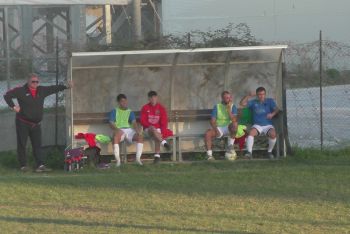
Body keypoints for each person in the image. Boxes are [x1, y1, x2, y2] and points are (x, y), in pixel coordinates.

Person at [3, 73, 72, 172]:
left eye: (37, 81)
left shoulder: (41, 90)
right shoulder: (21, 90)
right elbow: (7, 95)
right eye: (33, 81)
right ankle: (23, 166)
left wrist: (66, 86)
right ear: (28, 81)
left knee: (37, 145)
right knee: (22, 144)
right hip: (23, 122)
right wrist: (13, 107)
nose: (35, 83)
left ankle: (40, 165)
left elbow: (53, 88)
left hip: (36, 124)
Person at [239, 87, 279, 159]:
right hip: (257, 125)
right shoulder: (253, 102)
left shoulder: (270, 101)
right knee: (251, 133)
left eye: (263, 94)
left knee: (273, 134)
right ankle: (249, 153)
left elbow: (277, 109)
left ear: (265, 94)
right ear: (257, 95)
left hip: (268, 125)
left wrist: (272, 114)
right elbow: (242, 104)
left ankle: (269, 152)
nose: (261, 96)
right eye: (259, 94)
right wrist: (249, 96)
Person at [109, 94, 143, 167]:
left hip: (129, 130)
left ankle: (138, 159)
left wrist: (137, 131)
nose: (124, 103)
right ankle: (118, 161)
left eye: (125, 101)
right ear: (118, 102)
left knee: (140, 137)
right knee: (115, 138)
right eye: (122, 101)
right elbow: (111, 123)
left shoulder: (130, 111)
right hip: (119, 130)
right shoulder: (114, 111)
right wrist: (117, 130)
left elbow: (134, 122)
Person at [140, 91, 173, 164]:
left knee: (156, 133)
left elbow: (164, 122)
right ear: (148, 98)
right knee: (152, 128)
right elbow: (142, 121)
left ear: (157, 98)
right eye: (151, 97)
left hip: (157, 131)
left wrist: (163, 131)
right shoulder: (145, 108)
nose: (153, 99)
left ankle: (157, 157)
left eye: (154, 97)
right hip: (147, 130)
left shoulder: (161, 108)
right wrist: (150, 126)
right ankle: (164, 143)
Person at [205, 91, 238, 160]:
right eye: (226, 98)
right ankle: (209, 155)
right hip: (219, 128)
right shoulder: (217, 106)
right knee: (208, 133)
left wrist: (229, 110)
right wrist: (216, 129)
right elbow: (212, 121)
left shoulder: (233, 106)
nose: (228, 99)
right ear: (222, 98)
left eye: (229, 98)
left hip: (229, 127)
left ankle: (230, 146)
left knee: (235, 124)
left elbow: (234, 120)